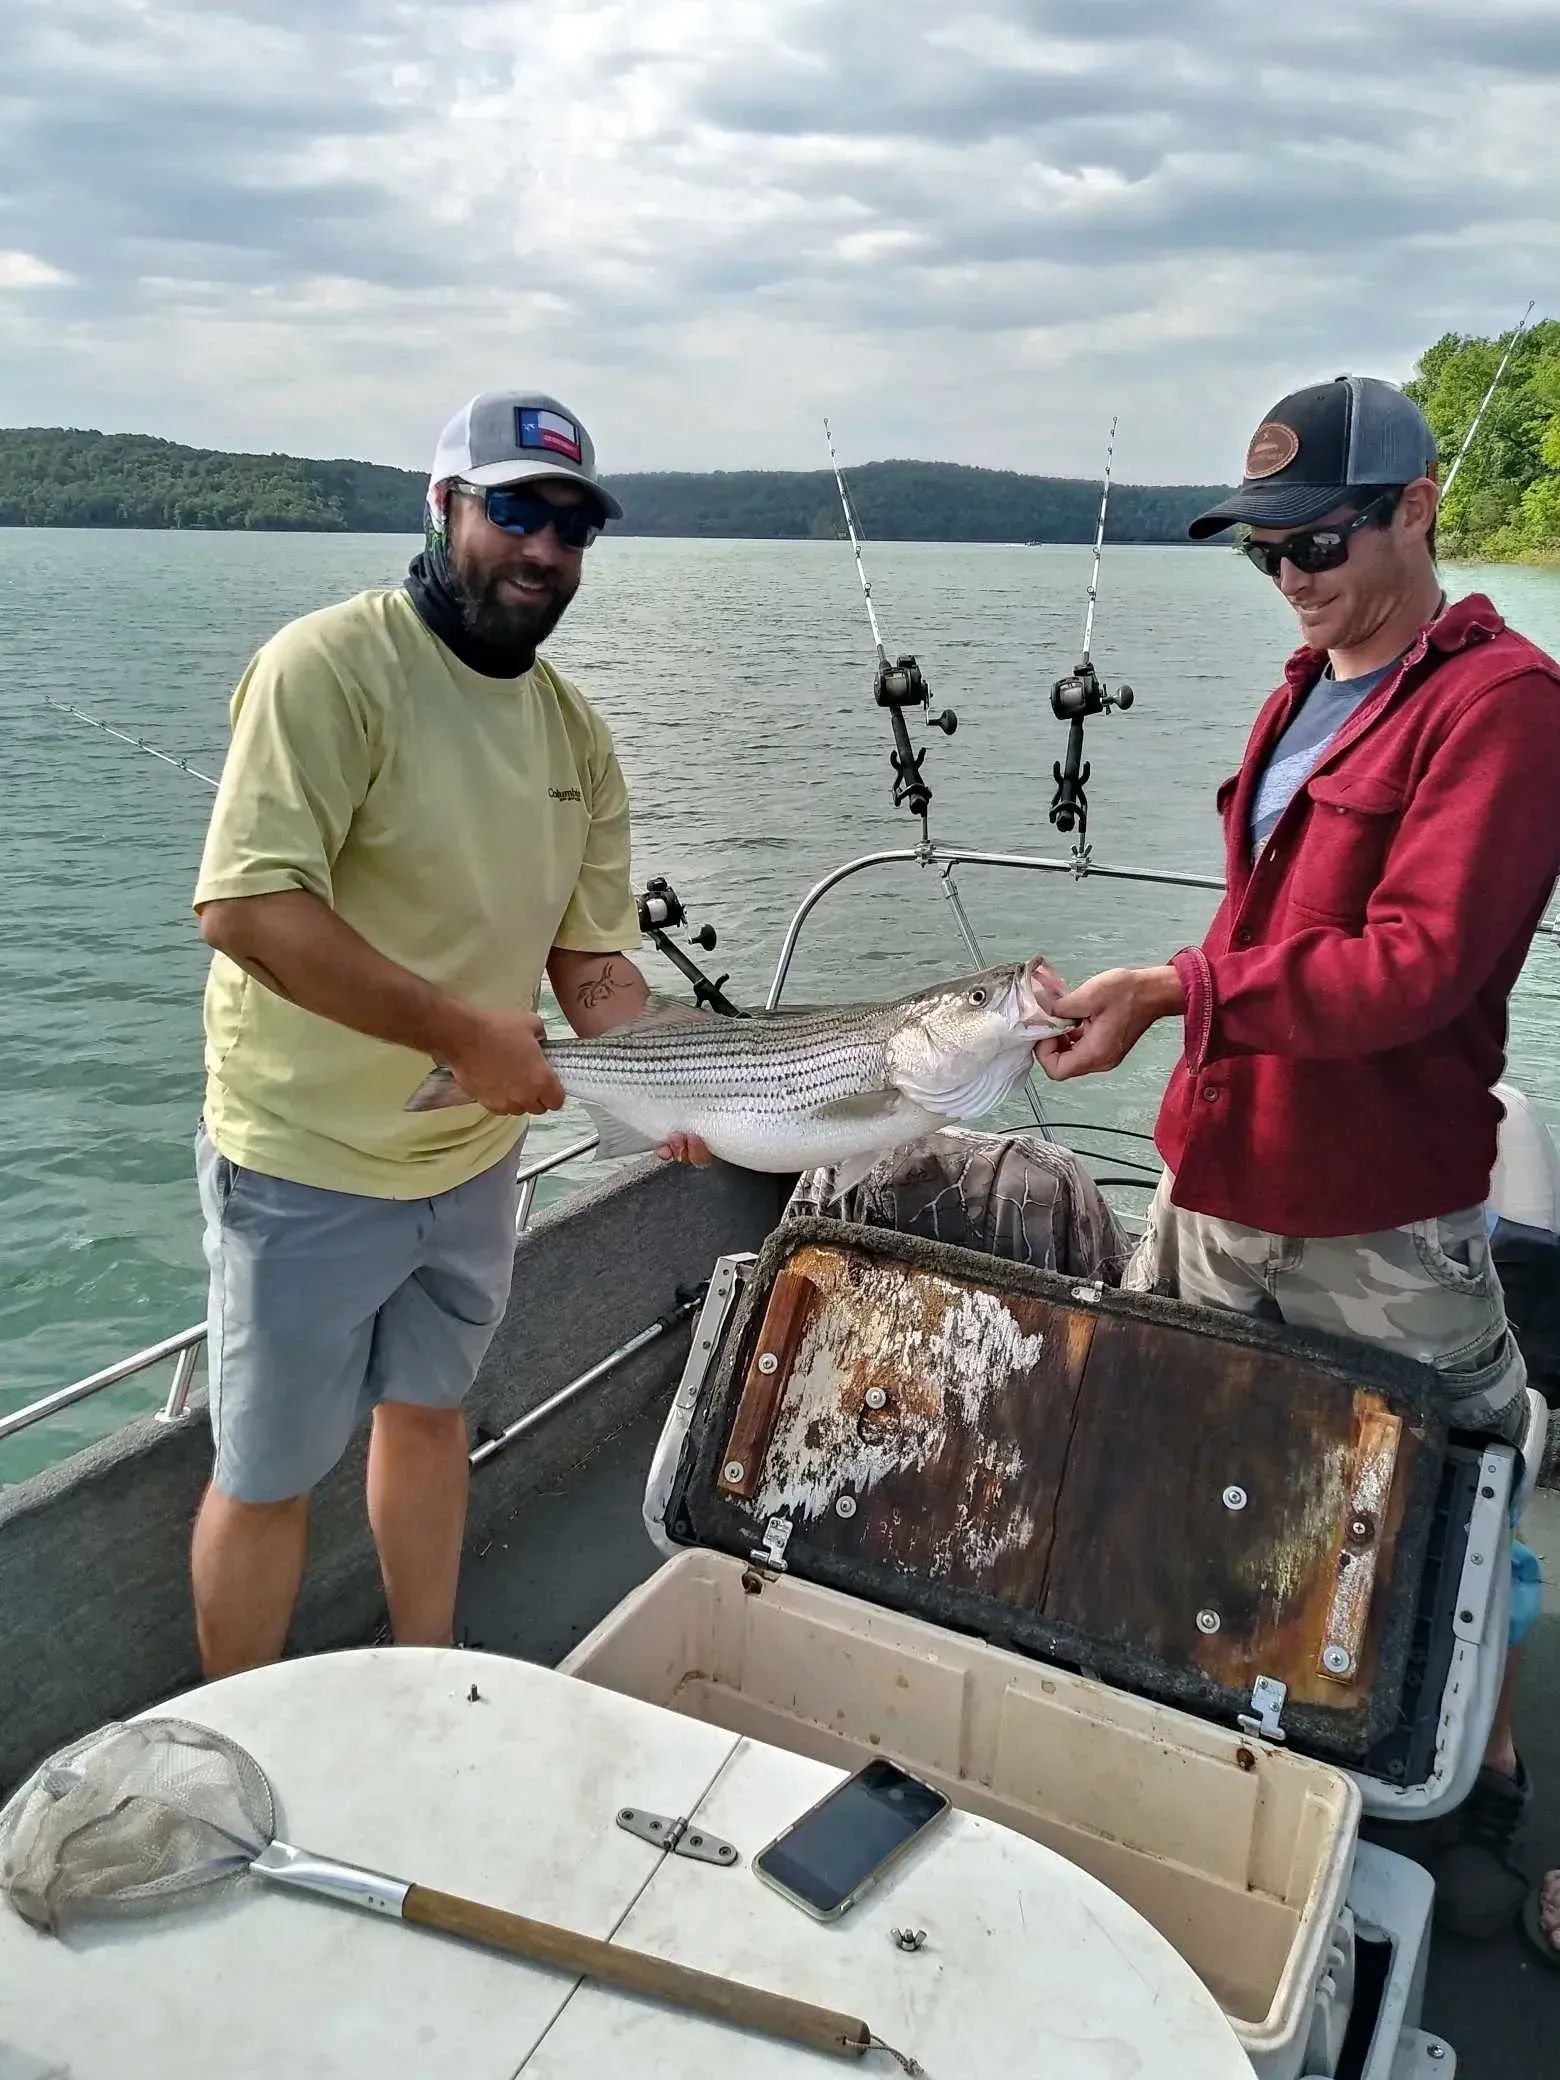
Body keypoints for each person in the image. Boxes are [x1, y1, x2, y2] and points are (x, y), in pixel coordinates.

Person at [1034, 373, 1560, 1943]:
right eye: (1268, 549)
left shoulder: (1507, 706)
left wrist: (1175, 992)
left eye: (1323, 537)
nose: (1296, 573)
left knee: (1453, 1496)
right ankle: (1229, 1755)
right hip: (1218, 1174)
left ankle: (1483, 1784)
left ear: (1417, 510)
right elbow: (1268, 922)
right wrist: (1173, 1028)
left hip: (1376, 1217)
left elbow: (1418, 964)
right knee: (1190, 1466)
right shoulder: (1302, 687)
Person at [189, 388, 707, 1682]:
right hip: (305, 1163)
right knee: (266, 1477)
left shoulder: (576, 736)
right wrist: (459, 1032)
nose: (547, 550)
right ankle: (237, 1736)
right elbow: (245, 907)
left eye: (574, 527)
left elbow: (591, 973)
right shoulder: (329, 668)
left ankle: (433, 1673)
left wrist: (677, 1088)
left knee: (432, 1417)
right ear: (443, 506)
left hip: (474, 1159)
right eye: (519, 509)